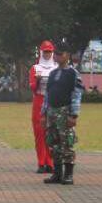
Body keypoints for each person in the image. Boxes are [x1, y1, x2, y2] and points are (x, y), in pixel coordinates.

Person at [43, 45, 82, 185]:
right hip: (52, 112)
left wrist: (74, 115)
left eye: (60, 54)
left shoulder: (73, 73)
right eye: (56, 54)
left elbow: (77, 94)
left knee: (67, 143)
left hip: (65, 112)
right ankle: (57, 173)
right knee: (53, 143)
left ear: (67, 55)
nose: (57, 56)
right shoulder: (53, 73)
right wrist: (44, 113)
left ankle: (68, 174)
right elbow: (47, 94)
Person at [29, 40, 58, 173]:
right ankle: (41, 162)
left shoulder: (57, 68)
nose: (47, 54)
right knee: (39, 133)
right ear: (41, 52)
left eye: (49, 52)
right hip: (39, 101)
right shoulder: (35, 68)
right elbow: (33, 88)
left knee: (51, 132)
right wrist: (38, 80)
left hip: (53, 101)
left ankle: (50, 162)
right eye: (45, 51)